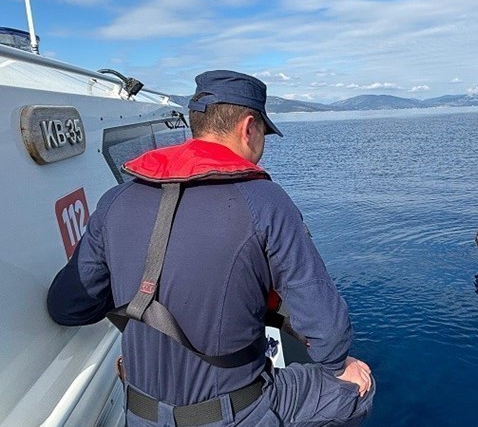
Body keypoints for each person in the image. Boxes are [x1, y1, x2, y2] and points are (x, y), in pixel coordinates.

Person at [47, 70, 374, 426]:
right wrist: (340, 362)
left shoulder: (115, 199)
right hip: (237, 414)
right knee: (355, 383)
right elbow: (328, 335)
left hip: (140, 412)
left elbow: (67, 307)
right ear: (249, 127)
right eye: (263, 133)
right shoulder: (266, 202)